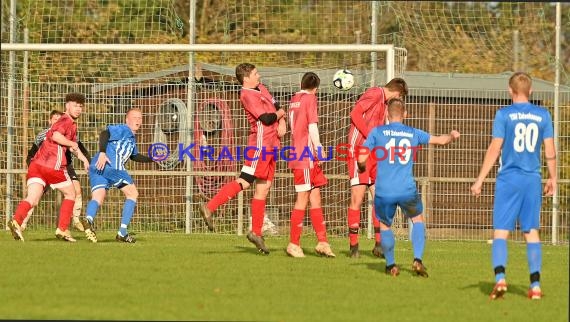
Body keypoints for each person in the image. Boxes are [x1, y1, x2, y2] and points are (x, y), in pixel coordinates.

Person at [470, 72, 556, 300]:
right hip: (532, 179)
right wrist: (553, 178)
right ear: (531, 91)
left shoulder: (504, 114)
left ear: (510, 90)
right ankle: (535, 286)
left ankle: (500, 280)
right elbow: (549, 151)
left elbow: (494, 148)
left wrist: (479, 180)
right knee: (531, 232)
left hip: (508, 179)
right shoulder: (543, 115)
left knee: (501, 231)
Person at [357, 98, 459, 277]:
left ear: (387, 115)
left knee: (385, 225)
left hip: (384, 190)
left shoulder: (377, 132)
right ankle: (417, 259)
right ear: (404, 114)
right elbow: (440, 141)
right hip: (406, 188)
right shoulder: (413, 133)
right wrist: (451, 136)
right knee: (417, 219)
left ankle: (391, 265)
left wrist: (361, 167)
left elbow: (361, 157)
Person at [197, 63, 286, 255]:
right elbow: (267, 118)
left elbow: (276, 103)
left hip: (272, 145)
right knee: (246, 181)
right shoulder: (246, 95)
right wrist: (281, 115)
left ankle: (256, 232)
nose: (259, 75)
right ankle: (210, 206)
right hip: (260, 146)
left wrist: (283, 120)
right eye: (255, 73)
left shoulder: (260, 87)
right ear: (246, 78)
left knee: (264, 188)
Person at [8, 93, 90, 242]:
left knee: (32, 198)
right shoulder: (65, 120)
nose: (78, 109)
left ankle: (16, 221)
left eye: (80, 106)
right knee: (71, 194)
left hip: (36, 165)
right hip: (53, 166)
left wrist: (84, 159)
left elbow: (71, 146)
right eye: (75, 105)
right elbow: (57, 137)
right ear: (67, 106)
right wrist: (72, 144)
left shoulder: (71, 125)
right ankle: (63, 229)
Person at [346, 77, 408, 258]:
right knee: (357, 198)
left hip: (373, 154)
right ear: (397, 93)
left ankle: (379, 244)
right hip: (360, 151)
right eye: (400, 97)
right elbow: (355, 114)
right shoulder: (374, 93)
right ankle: (354, 247)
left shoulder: (383, 103)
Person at [81, 108, 156, 243]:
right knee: (132, 194)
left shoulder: (132, 139)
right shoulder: (123, 130)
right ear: (127, 120)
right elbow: (105, 133)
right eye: (134, 117)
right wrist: (103, 152)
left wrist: (152, 159)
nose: (137, 120)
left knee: (98, 197)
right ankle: (122, 232)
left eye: (140, 118)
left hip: (97, 167)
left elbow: (134, 156)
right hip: (111, 166)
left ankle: (88, 219)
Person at [285, 72, 335, 258]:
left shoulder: (294, 98)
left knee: (315, 197)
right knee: (303, 198)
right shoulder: (310, 99)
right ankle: (293, 243)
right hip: (305, 155)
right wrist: (319, 148)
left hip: (302, 154)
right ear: (316, 88)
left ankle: (322, 242)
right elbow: (312, 126)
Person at [22, 110, 91, 232]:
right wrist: (33, 170)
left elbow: (80, 149)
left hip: (65, 166)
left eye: (60, 120)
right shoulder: (43, 135)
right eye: (55, 119)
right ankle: (22, 223)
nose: (57, 122)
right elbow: (31, 154)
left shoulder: (70, 132)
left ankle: (75, 220)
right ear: (50, 121)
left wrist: (88, 161)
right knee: (35, 196)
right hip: (44, 166)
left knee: (77, 189)